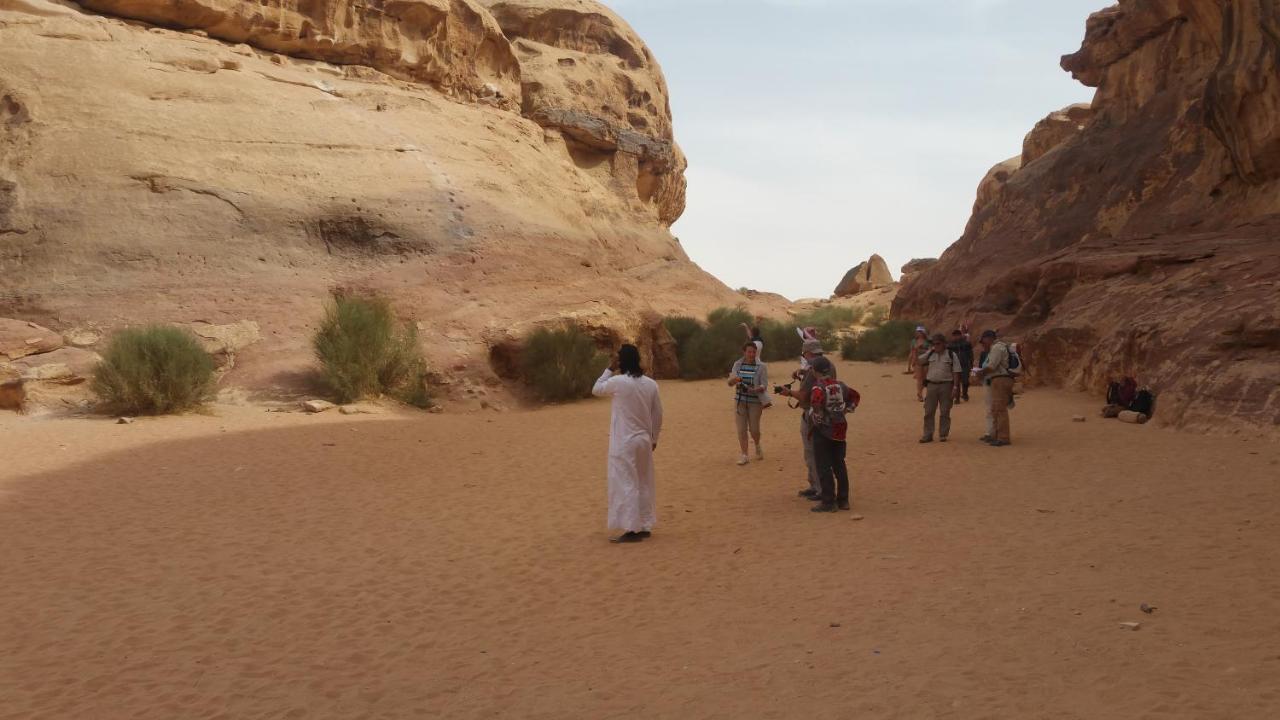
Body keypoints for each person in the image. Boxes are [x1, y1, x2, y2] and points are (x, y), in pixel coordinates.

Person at [592, 344, 664, 543]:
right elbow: (658, 414)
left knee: (626, 482)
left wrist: (609, 368)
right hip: (643, 440)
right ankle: (645, 524)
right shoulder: (651, 384)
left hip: (624, 442)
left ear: (622, 361)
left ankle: (632, 528)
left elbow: (596, 389)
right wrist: (654, 438)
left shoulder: (618, 381)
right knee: (644, 482)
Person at [776, 338, 833, 500]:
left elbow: (803, 395)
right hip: (826, 415)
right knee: (819, 452)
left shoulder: (812, 369)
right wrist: (802, 373)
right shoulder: (828, 365)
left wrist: (787, 392)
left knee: (812, 452)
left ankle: (819, 488)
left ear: (808, 353)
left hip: (812, 414)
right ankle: (815, 485)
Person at [806, 356, 859, 513]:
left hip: (824, 430)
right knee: (839, 465)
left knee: (823, 466)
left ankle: (828, 501)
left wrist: (818, 421)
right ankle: (843, 500)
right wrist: (846, 410)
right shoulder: (840, 385)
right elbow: (855, 397)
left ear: (814, 371)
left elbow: (816, 406)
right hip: (840, 429)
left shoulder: (818, 388)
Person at [728, 341, 768, 465]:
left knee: (754, 430)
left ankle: (757, 444)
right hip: (740, 401)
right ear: (744, 352)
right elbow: (729, 383)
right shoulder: (737, 364)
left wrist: (756, 389)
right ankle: (744, 455)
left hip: (755, 402)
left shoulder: (761, 366)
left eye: (754, 352)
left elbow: (764, 385)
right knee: (741, 429)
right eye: (749, 352)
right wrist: (734, 380)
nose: (751, 354)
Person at [919, 334, 962, 443]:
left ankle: (943, 434)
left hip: (946, 385)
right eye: (933, 344)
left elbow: (956, 371)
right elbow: (919, 361)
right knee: (928, 411)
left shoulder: (952, 355)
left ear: (944, 344)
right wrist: (930, 351)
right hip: (931, 385)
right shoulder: (931, 354)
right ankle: (928, 434)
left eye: (938, 344)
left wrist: (956, 387)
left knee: (945, 411)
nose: (935, 346)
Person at [976, 330, 1015, 447]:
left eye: (984, 340)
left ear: (989, 338)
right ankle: (996, 435)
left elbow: (992, 365)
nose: (983, 343)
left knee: (999, 409)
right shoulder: (1000, 347)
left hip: (1000, 379)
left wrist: (981, 372)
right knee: (996, 408)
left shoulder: (997, 348)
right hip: (999, 379)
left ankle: (1003, 437)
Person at [948, 329, 975, 402]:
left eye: (957, 335)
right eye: (954, 335)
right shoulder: (950, 345)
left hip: (965, 365)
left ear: (960, 335)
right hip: (954, 366)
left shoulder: (966, 344)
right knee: (956, 382)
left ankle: (965, 394)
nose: (956, 337)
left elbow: (971, 354)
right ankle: (957, 398)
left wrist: (971, 362)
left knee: (965, 381)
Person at [906, 326, 929, 401]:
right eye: (917, 331)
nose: (919, 333)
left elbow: (931, 351)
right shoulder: (914, 341)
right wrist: (909, 365)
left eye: (920, 331)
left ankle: (926, 395)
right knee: (919, 379)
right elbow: (911, 353)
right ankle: (920, 394)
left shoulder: (927, 341)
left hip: (926, 361)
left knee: (926, 379)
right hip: (917, 362)